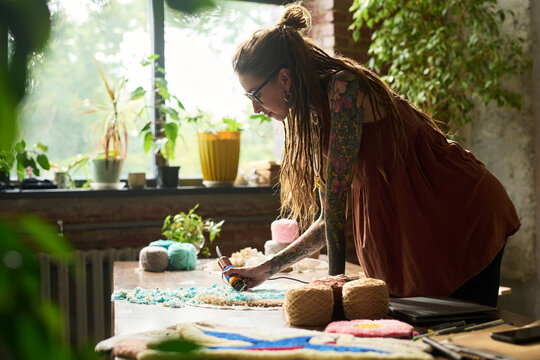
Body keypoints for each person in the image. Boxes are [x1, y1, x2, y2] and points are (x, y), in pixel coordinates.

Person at [225, 3, 520, 307]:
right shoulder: (312, 114)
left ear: (284, 78)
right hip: (421, 227)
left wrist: (334, 283)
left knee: (466, 334)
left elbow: (337, 209)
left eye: (255, 94)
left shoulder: (342, 88)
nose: (255, 107)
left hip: (462, 213)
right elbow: (328, 220)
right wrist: (264, 270)